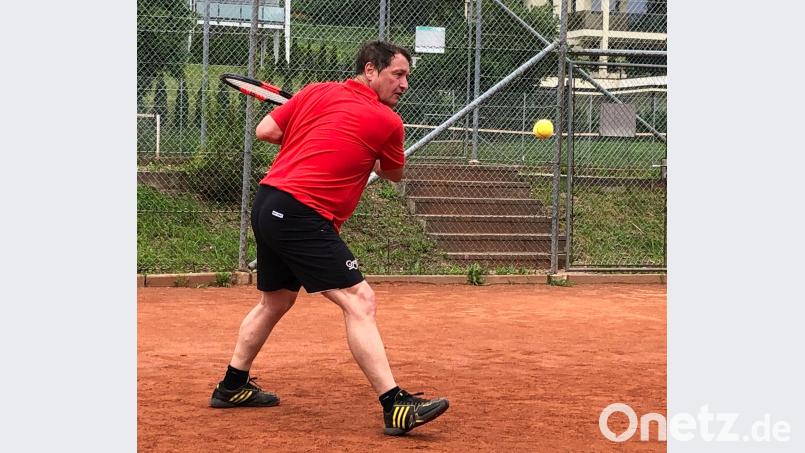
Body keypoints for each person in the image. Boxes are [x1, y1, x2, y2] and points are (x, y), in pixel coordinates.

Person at [209, 41, 449, 436]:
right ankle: (395, 405)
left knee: (276, 301)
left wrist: (316, 133)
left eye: (407, 76)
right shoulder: (388, 122)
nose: (405, 84)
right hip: (302, 213)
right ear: (370, 70)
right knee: (360, 300)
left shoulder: (315, 91)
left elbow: (266, 129)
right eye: (398, 74)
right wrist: (355, 144)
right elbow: (393, 174)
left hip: (269, 203)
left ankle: (232, 386)